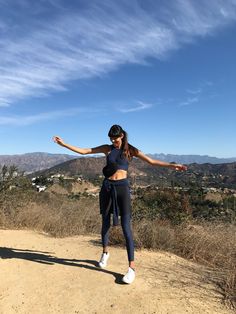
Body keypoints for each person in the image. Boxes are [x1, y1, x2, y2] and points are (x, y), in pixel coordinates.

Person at [53, 125, 187, 284]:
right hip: (107, 188)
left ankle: (131, 268)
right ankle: (105, 253)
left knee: (126, 227)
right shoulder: (107, 149)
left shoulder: (131, 150)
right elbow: (85, 151)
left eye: (115, 139)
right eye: (111, 139)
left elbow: (151, 161)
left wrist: (172, 165)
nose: (113, 141)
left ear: (122, 136)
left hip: (122, 188)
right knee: (105, 223)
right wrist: (64, 144)